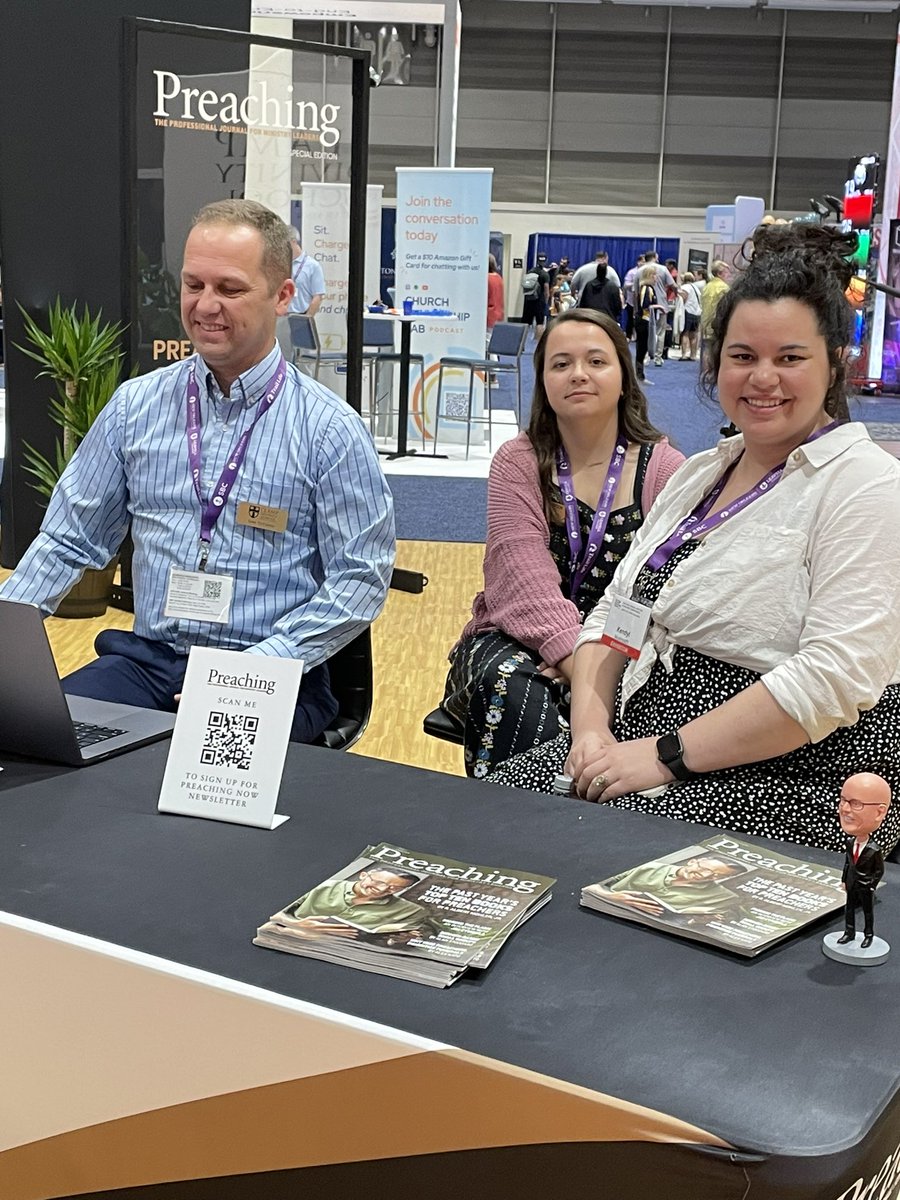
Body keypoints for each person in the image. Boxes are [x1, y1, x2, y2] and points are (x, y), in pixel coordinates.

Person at [485, 224, 900, 855]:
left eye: (790, 358)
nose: (763, 378)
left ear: (834, 365)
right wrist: (590, 735)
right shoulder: (703, 472)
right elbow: (616, 613)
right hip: (649, 730)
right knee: (488, 812)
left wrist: (662, 758)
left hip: (791, 766)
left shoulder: (866, 486)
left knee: (559, 849)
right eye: (743, 357)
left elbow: (830, 679)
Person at [0, 199, 395, 744]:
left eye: (229, 289)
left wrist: (258, 668)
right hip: (149, 664)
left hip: (267, 672)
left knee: (201, 787)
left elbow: (360, 577)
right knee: (33, 747)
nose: (205, 306)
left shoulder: (329, 431)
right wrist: (6, 633)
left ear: (283, 297)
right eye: (193, 285)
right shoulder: (135, 408)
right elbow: (69, 540)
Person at [440, 308, 684, 778]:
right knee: (512, 687)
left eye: (596, 361)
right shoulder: (519, 461)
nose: (578, 375)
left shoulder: (668, 469)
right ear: (544, 381)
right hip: (521, 640)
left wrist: (601, 670)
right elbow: (521, 583)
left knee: (661, 704)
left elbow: (667, 589)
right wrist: (579, 664)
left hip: (625, 650)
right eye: (560, 364)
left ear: (623, 375)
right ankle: (517, 836)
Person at [278, 866, 437, 942]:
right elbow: (276, 911)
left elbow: (425, 935)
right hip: (292, 937)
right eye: (378, 882)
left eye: (394, 888)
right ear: (363, 875)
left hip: (349, 950)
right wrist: (295, 924)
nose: (381, 889)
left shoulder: (412, 911)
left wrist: (407, 938)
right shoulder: (323, 885)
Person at [585, 854, 745, 918]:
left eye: (717, 876)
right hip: (602, 913)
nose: (706, 876)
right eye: (704, 869)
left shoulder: (725, 897)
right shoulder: (651, 866)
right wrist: (611, 896)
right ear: (692, 861)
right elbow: (593, 886)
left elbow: (734, 920)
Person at [836, 772, 891, 948]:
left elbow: (879, 870)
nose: (844, 809)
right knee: (849, 909)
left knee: (868, 912)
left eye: (855, 804)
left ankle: (868, 934)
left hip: (866, 887)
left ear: (879, 812)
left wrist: (871, 884)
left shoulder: (874, 849)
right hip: (852, 884)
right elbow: (848, 863)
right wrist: (845, 880)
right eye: (843, 800)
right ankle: (849, 932)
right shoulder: (849, 842)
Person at [276, 227, 327, 362]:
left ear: (293, 242)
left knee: (303, 360)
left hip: (301, 318)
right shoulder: (280, 265)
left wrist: (306, 319)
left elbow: (318, 296)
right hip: (282, 318)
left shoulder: (312, 266)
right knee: (282, 359)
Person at [633, 265, 663, 384]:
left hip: (645, 320)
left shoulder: (648, 288)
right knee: (642, 348)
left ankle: (639, 375)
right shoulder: (646, 288)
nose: (656, 278)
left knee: (643, 348)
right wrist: (659, 306)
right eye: (655, 275)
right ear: (650, 276)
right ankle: (639, 376)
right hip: (643, 320)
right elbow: (645, 306)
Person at [700, 260, 731, 363]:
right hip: (718, 324)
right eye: (726, 272)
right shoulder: (724, 288)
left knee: (706, 350)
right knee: (717, 351)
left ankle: (706, 372)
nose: (728, 275)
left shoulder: (707, 287)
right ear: (719, 273)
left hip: (705, 323)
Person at [521, 252, 551, 340]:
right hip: (539, 301)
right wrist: (546, 301)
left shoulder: (530, 271)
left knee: (526, 323)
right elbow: (546, 290)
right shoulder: (545, 274)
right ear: (546, 261)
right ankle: (538, 344)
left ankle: (521, 344)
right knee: (540, 323)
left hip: (528, 299)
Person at [678, 271, 703, 362]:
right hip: (697, 313)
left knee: (685, 333)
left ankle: (684, 354)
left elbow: (683, 299)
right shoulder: (696, 288)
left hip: (688, 312)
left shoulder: (685, 287)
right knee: (694, 335)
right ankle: (693, 355)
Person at [486, 252, 505, 340]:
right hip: (499, 313)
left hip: (489, 314)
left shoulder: (486, 279)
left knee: (488, 341)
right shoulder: (499, 278)